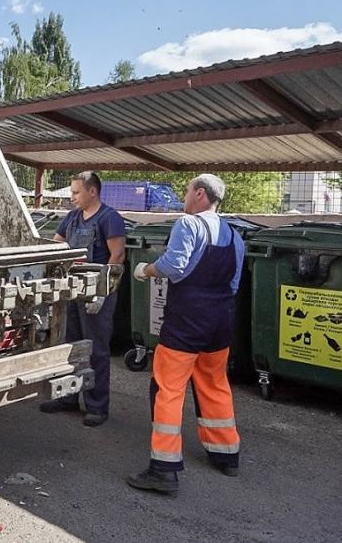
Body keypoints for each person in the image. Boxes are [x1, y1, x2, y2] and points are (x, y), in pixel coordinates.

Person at [126, 174, 244, 496]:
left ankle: (163, 470)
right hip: (220, 322)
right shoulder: (235, 235)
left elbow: (175, 266)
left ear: (201, 194)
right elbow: (233, 284)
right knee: (214, 384)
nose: (184, 196)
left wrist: (145, 270)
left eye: (187, 190)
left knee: (168, 389)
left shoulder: (189, 224)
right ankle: (226, 455)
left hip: (187, 321)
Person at [39, 171, 126, 427]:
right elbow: (56, 246)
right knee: (70, 345)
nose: (72, 197)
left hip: (96, 294)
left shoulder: (109, 219)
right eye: (71, 192)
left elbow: (117, 256)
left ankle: (97, 406)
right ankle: (67, 397)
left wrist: (101, 292)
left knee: (95, 349)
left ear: (92, 192)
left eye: (76, 192)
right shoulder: (73, 218)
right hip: (71, 291)